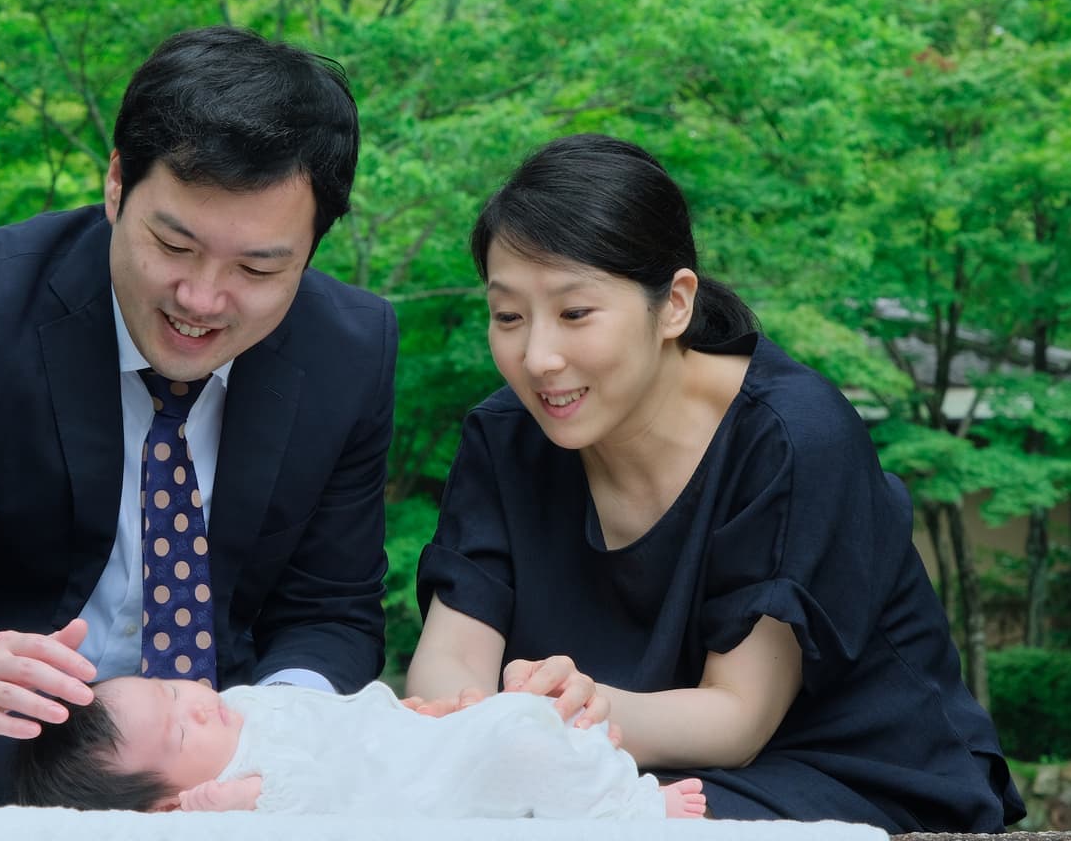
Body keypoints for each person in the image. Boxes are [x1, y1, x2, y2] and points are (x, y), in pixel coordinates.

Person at [0, 26, 397, 823]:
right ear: (115, 184)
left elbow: (330, 616)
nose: (202, 300)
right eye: (173, 244)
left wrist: (272, 743)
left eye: (257, 269)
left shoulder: (350, 348)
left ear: (312, 249)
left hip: (216, 733)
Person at [404, 134, 1026, 833]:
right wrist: (469, 724)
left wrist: (550, 726)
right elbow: (453, 654)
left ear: (674, 304)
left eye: (575, 313)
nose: (538, 357)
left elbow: (738, 717)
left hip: (839, 767)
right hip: (598, 762)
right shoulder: (506, 436)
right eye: (508, 316)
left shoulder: (791, 435)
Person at [13, 676, 708, 820]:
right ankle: (637, 810)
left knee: (522, 716)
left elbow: (331, 712)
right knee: (520, 746)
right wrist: (231, 802)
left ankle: (616, 787)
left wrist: (400, 712)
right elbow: (317, 796)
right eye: (182, 729)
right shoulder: (246, 786)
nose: (196, 699)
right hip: (418, 785)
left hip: (411, 738)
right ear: (168, 803)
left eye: (169, 687)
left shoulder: (240, 707)